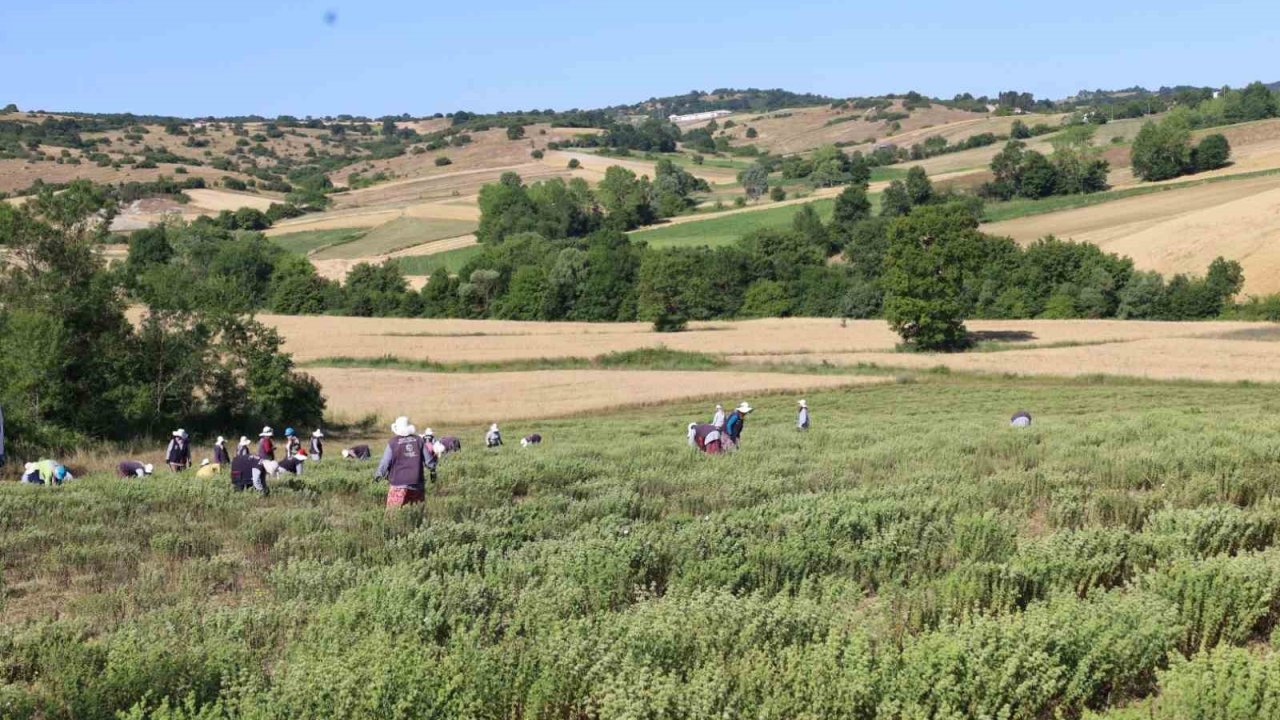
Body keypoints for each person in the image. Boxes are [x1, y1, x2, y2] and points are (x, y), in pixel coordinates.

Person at [375, 416, 438, 508]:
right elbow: (429, 462)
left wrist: (378, 475)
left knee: (393, 515)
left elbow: (385, 462)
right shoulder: (419, 440)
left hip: (398, 484)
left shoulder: (392, 442)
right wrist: (433, 471)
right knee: (416, 513)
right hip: (417, 483)